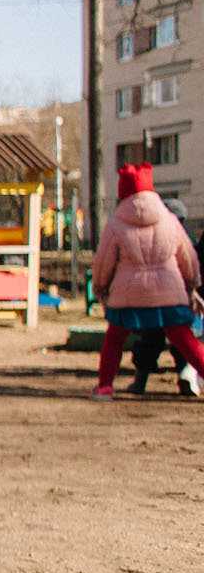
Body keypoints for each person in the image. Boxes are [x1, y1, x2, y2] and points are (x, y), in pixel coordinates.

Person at [92, 164, 204, 399]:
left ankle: (104, 387)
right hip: (168, 291)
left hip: (127, 294)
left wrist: (100, 288)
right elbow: (188, 257)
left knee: (114, 340)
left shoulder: (115, 224)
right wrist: (192, 283)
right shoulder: (170, 220)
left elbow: (103, 263)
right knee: (185, 339)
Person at [125, 197, 204, 395]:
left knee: (150, 340)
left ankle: (140, 381)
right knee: (184, 341)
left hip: (154, 298)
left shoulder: (149, 235)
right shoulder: (187, 238)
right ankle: (185, 377)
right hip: (179, 298)